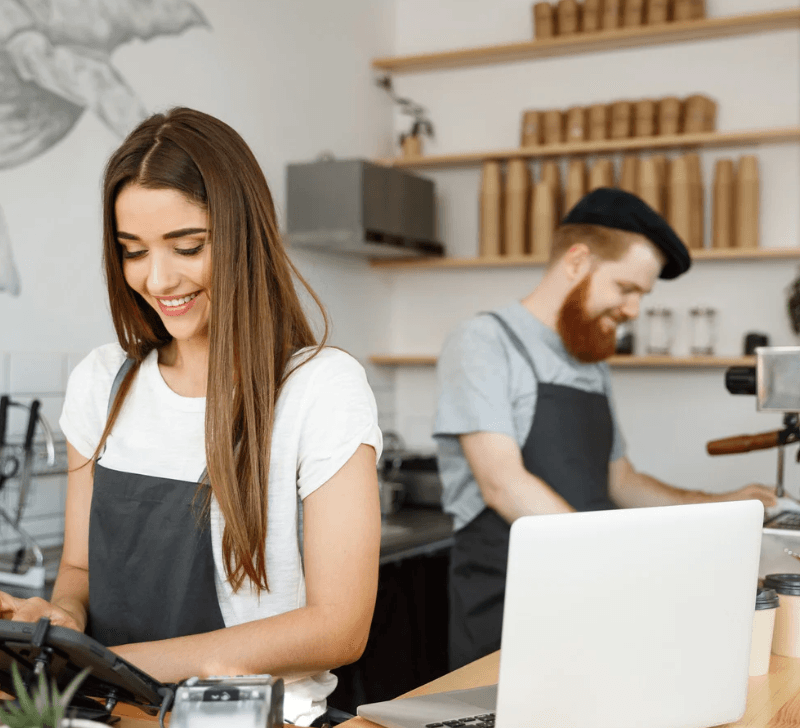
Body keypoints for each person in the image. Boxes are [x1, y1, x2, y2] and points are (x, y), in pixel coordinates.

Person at [0, 107, 383, 727]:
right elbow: (78, 570)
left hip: (254, 718)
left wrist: (110, 661)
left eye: (188, 247)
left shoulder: (319, 388)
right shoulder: (102, 383)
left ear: (242, 234)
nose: (158, 278)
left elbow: (338, 628)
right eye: (133, 251)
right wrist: (63, 621)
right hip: (109, 713)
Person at [434, 187, 777, 670]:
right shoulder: (484, 342)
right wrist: (618, 565)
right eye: (627, 288)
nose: (633, 310)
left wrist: (718, 504)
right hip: (510, 607)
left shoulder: (588, 361)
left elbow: (621, 480)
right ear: (577, 260)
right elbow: (503, 483)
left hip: (589, 597)